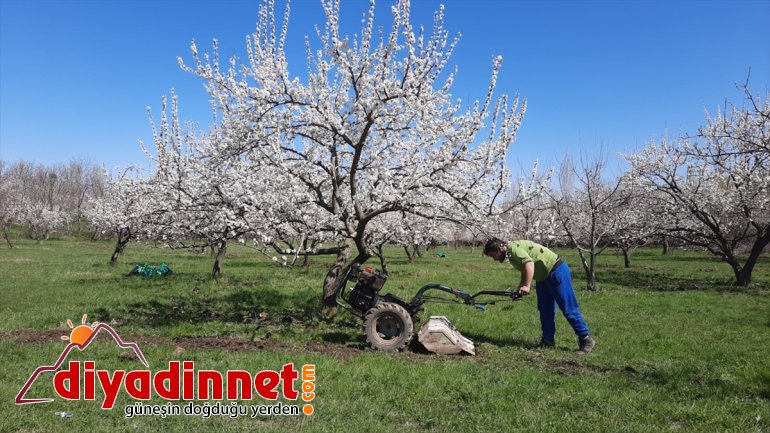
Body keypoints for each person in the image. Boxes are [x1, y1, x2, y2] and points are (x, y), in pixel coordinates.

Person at [483, 238, 596, 355]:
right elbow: (524, 269)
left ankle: (586, 339)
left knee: (568, 309)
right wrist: (520, 287)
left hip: (556, 271)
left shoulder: (513, 248)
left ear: (498, 249)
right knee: (545, 310)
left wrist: (527, 286)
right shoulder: (511, 252)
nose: (494, 259)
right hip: (543, 277)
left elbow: (529, 263)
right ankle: (548, 341)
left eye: (493, 256)